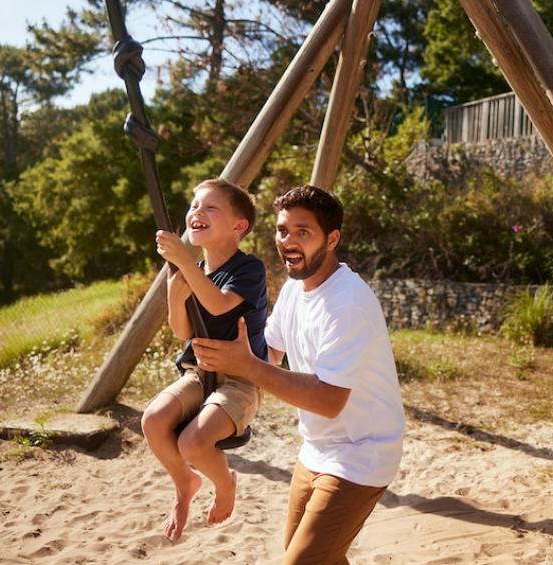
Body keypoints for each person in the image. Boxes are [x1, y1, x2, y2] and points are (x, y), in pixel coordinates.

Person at [192, 185, 405, 563]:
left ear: (332, 238)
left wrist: (249, 366)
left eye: (302, 232)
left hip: (361, 455)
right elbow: (268, 352)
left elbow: (328, 400)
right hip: (315, 451)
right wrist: (223, 367)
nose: (287, 241)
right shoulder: (295, 289)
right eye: (282, 230)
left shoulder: (348, 303)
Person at [141, 177, 268, 541]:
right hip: (200, 374)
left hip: (241, 379)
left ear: (238, 226)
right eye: (194, 205)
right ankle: (185, 485)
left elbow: (217, 304)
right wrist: (173, 293)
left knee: (193, 444)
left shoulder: (249, 269)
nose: (197, 211)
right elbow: (183, 330)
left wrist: (184, 261)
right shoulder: (194, 271)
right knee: (152, 420)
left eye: (210, 207)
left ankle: (225, 484)